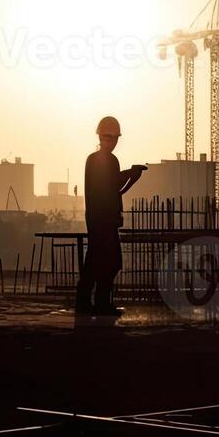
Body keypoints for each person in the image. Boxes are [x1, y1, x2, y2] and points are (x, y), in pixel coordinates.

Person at [77, 116, 147, 316]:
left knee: (98, 261)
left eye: (114, 138)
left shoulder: (97, 160)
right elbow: (112, 185)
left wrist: (131, 176)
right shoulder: (103, 160)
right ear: (101, 137)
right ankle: (97, 303)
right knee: (108, 262)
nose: (112, 142)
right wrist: (131, 175)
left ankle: (93, 302)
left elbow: (114, 186)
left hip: (101, 220)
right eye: (109, 138)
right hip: (102, 220)